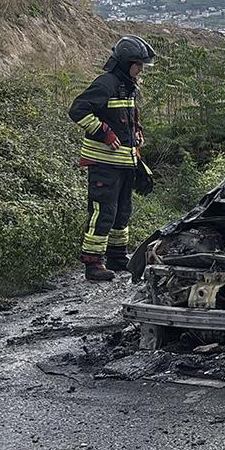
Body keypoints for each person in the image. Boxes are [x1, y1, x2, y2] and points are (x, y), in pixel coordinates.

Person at [68, 35, 156, 282]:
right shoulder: (106, 83)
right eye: (139, 65)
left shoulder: (127, 87)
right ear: (126, 63)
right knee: (103, 211)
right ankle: (93, 263)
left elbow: (127, 117)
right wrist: (103, 132)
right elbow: (78, 110)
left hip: (125, 163)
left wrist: (137, 132)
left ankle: (117, 256)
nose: (141, 70)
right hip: (104, 164)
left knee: (122, 211)